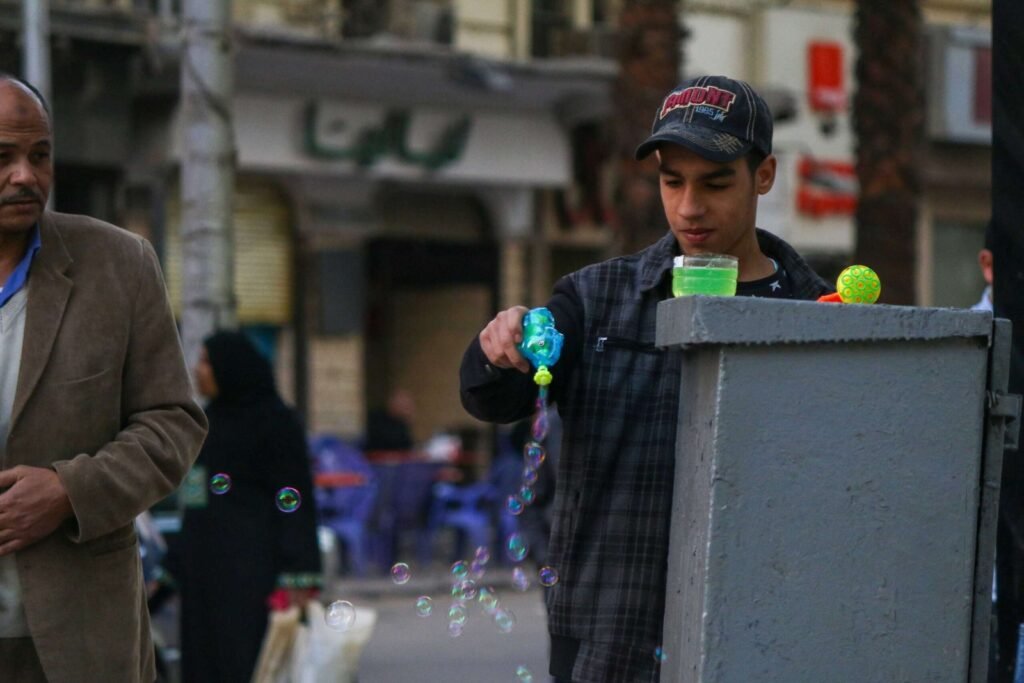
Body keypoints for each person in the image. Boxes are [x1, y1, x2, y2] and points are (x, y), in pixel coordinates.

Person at [460, 75, 831, 682]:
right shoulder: (597, 297)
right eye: (671, 181)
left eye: (715, 183)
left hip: (768, 641)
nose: (690, 208)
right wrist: (497, 350)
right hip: (612, 644)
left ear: (763, 176)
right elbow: (492, 398)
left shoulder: (818, 315)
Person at [0, 74, 208, 682]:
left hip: (81, 637)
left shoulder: (119, 264)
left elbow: (174, 423)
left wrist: (71, 491)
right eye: (3, 157)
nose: (25, 176)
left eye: (40, 155)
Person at [166, 331, 321, 683]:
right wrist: (172, 568)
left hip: (252, 576)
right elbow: (194, 503)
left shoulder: (275, 422)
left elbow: (295, 502)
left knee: (249, 665)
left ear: (229, 367)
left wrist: (299, 574)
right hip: (204, 576)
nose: (197, 370)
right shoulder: (202, 425)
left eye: (206, 361)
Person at [363, 387, 416, 453]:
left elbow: (407, 445)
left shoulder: (401, 423)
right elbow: (387, 441)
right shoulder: (376, 418)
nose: (406, 409)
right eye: (403, 405)